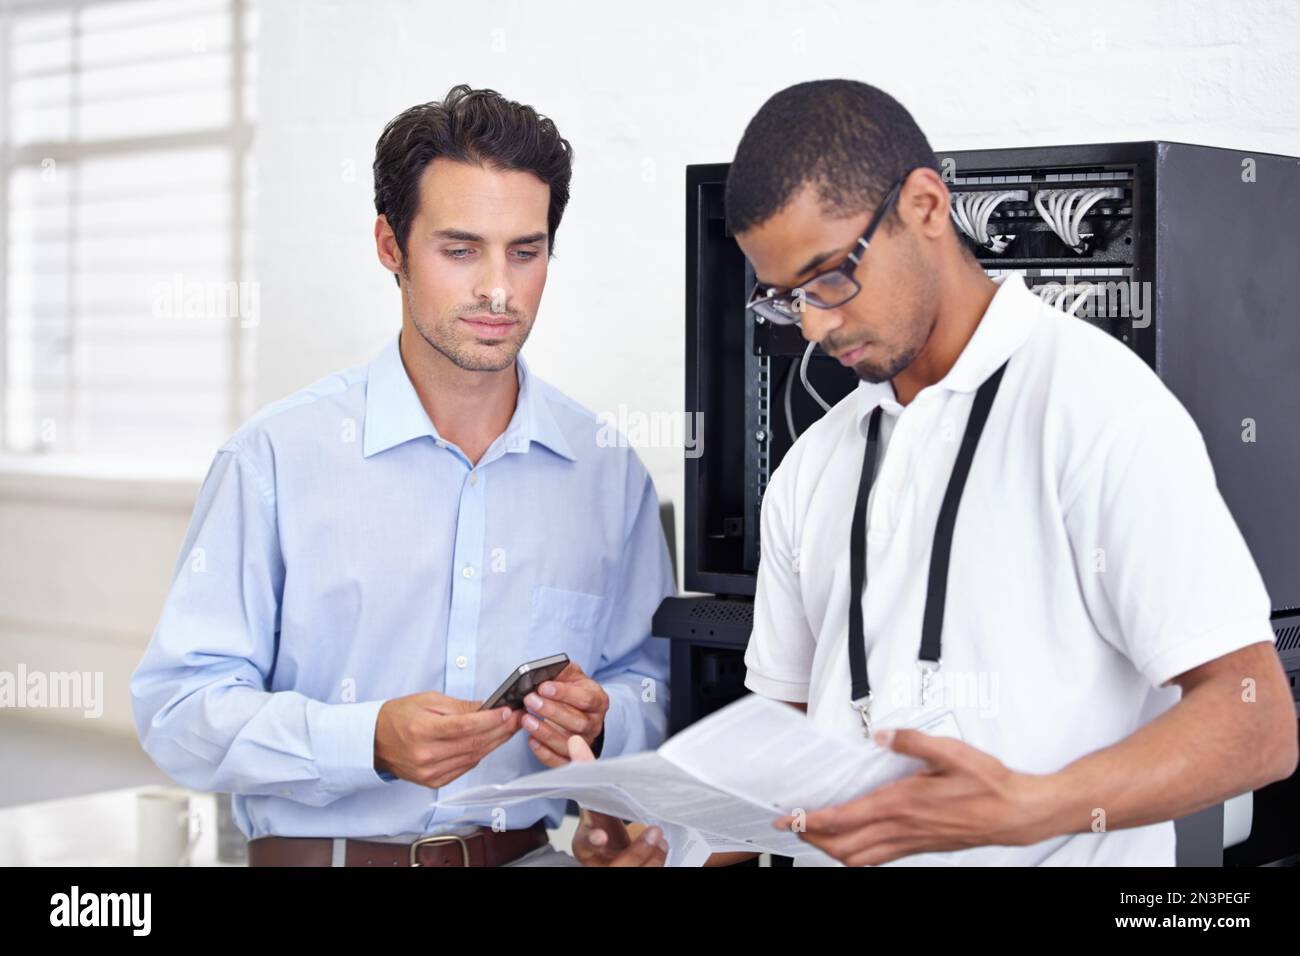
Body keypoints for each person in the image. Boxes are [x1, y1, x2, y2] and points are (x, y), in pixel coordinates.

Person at [719, 79, 1294, 866]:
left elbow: (1255, 724)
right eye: (787, 299)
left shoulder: (1099, 409)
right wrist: (672, 840)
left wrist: (1033, 809)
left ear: (925, 206)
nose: (815, 326)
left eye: (829, 278)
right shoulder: (816, 460)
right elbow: (776, 741)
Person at [130, 85, 674, 867]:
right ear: (391, 245)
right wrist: (366, 740)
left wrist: (604, 718)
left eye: (526, 251)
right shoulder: (276, 457)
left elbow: (653, 689)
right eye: (461, 250)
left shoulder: (605, 469)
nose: (498, 288)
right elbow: (177, 709)